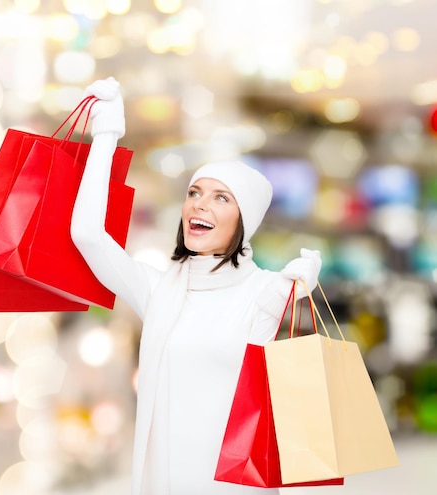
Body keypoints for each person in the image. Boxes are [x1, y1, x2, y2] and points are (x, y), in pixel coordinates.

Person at [71, 77, 322, 495]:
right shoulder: (159, 290)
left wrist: (295, 287)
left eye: (222, 198)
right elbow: (87, 236)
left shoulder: (263, 292)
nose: (200, 204)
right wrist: (106, 134)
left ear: (246, 222)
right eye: (195, 192)